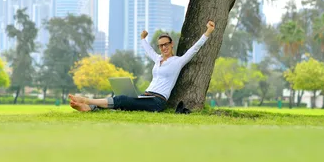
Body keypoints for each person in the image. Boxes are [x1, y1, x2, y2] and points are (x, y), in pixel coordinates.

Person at [69, 20, 215, 113]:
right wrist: (142, 39)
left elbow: (194, 49)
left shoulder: (178, 61)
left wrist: (208, 32)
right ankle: (88, 108)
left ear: (171, 45)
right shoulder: (157, 60)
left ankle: (87, 100)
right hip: (146, 96)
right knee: (120, 101)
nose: (163, 47)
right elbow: (148, 50)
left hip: (157, 101)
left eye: (166, 44)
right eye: (160, 45)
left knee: (122, 100)